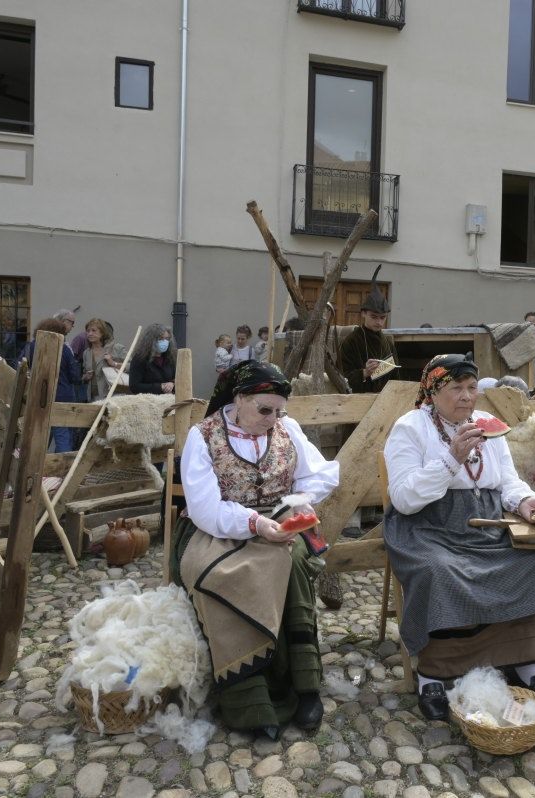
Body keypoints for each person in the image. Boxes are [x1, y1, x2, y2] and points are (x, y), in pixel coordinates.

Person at [383, 354, 535, 720]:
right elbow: (404, 499)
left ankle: (523, 659)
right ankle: (433, 672)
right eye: (457, 388)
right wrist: (451, 459)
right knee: (439, 572)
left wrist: (526, 502)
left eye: (471, 388)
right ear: (434, 391)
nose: (467, 396)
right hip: (427, 528)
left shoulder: (488, 425)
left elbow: (507, 482)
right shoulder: (410, 428)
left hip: (486, 524)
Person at [172, 360, 339, 738]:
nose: (273, 418)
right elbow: (204, 508)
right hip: (216, 527)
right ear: (239, 398)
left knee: (292, 561)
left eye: (279, 410)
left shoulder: (286, 428)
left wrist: (300, 500)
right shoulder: (204, 435)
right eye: (265, 409)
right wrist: (255, 523)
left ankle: (306, 686)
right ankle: (249, 698)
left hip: (281, 521)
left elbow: (323, 473)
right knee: (212, 574)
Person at [17, 318, 82, 452]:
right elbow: (74, 376)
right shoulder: (64, 349)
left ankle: (35, 466)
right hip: (62, 396)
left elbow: (20, 366)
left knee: (39, 434)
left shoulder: (31, 346)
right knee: (63, 434)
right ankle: (61, 469)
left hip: (38, 395)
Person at [338, 266, 399, 392]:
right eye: (374, 317)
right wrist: (364, 373)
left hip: (384, 401)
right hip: (358, 401)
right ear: (363, 313)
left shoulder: (388, 343)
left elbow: (396, 378)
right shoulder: (351, 341)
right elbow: (339, 378)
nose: (379, 322)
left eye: (383, 318)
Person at [82, 318, 126, 403]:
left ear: (102, 332)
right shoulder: (86, 353)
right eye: (88, 331)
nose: (90, 333)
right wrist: (86, 377)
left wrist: (114, 363)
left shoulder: (116, 348)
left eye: (94, 330)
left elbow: (131, 366)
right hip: (94, 397)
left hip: (114, 396)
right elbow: (84, 372)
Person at [129, 324, 176, 394]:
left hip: (169, 399)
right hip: (148, 401)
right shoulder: (139, 359)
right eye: (160, 339)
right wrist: (160, 387)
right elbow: (135, 386)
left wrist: (172, 384)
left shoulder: (170, 358)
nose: (164, 342)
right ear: (150, 341)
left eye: (167, 339)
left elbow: (177, 378)